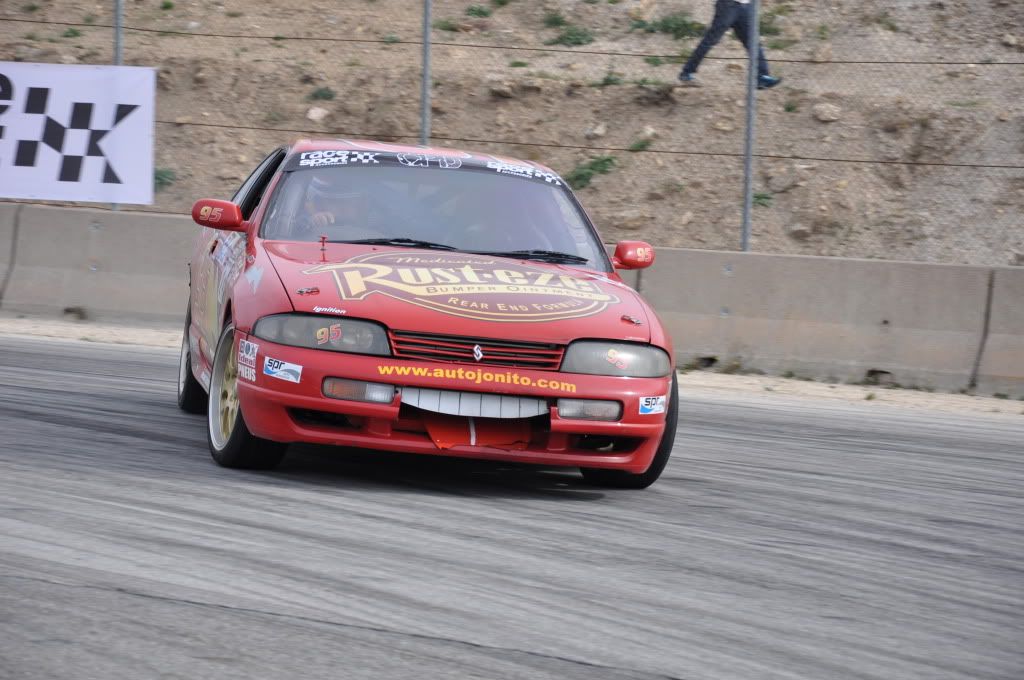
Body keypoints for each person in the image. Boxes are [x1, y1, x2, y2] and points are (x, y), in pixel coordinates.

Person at [679, 0, 782, 89]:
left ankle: (762, 76)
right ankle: (687, 72)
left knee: (753, 41)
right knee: (710, 40)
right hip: (728, 5)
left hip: (745, 5)